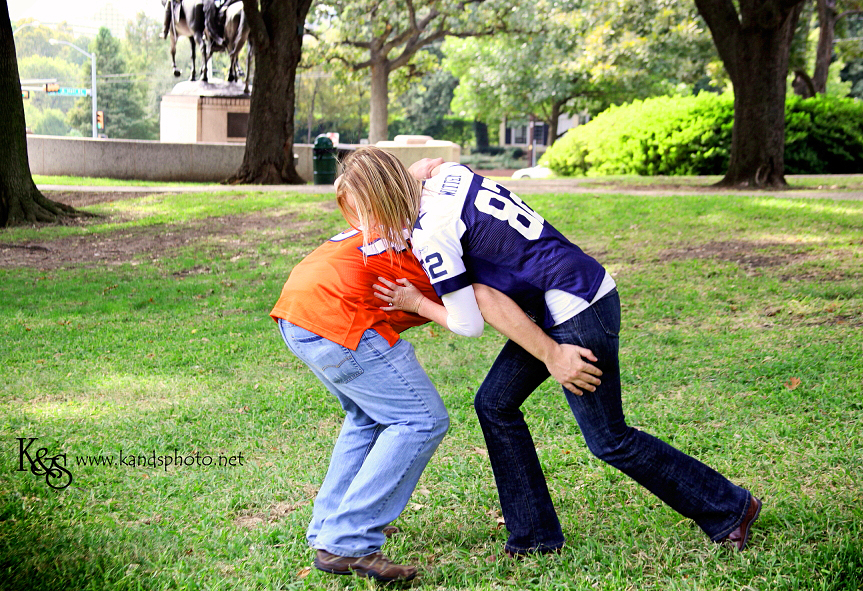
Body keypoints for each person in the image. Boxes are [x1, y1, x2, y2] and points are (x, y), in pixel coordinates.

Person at [336, 147, 762, 558]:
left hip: (577, 309)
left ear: (384, 196)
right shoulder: (447, 176)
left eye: (368, 210)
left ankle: (730, 509)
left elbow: (470, 320)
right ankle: (534, 536)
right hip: (569, 294)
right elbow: (434, 171)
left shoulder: (432, 232)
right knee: (494, 404)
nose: (369, 225)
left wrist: (416, 303)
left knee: (609, 439)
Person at [270, 153, 575, 582]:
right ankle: (348, 539)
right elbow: (481, 308)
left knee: (367, 419)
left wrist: (428, 167)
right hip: (339, 317)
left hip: (299, 311)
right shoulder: (444, 232)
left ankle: (331, 526)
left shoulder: (406, 203)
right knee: (421, 420)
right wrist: (549, 350)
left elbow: (424, 167)